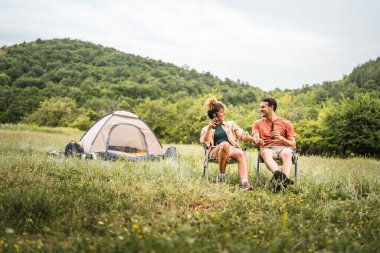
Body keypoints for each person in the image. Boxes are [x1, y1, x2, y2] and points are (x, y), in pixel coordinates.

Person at [200, 97, 261, 191]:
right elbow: (205, 145)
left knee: (240, 152)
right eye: (221, 111)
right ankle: (221, 177)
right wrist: (209, 129)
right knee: (225, 144)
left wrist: (253, 139)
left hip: (231, 150)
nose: (224, 113)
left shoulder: (230, 124)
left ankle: (245, 183)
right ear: (215, 114)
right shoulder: (206, 128)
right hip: (214, 151)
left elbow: (242, 134)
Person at [251, 98, 296, 190]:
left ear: (271, 107)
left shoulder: (286, 123)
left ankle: (281, 182)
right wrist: (257, 141)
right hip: (267, 148)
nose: (260, 109)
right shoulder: (257, 123)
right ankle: (282, 179)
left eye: (263, 107)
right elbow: (255, 139)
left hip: (284, 148)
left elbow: (293, 144)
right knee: (265, 153)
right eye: (260, 107)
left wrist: (280, 138)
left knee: (287, 153)